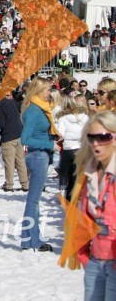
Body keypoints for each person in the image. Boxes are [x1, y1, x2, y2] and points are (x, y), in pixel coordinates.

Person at [59, 111, 116, 296]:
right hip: (94, 263)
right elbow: (84, 220)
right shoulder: (88, 174)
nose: (96, 143)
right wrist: (85, 257)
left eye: (103, 137)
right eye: (91, 138)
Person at [21, 76, 58, 252]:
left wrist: (52, 138)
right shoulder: (34, 111)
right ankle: (31, 241)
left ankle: (31, 240)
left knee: (34, 200)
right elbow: (25, 139)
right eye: (47, 90)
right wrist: (50, 144)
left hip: (40, 155)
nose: (49, 93)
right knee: (33, 200)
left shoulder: (39, 109)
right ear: (38, 91)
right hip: (37, 156)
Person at [0, 89, 29, 192]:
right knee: (20, 161)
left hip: (8, 136)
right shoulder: (13, 102)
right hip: (18, 134)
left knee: (9, 162)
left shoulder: (0, 106)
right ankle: (25, 184)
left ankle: (9, 184)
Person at [56, 95, 89, 201]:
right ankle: (76, 196)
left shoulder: (62, 118)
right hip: (81, 148)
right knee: (76, 174)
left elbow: (61, 134)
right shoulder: (84, 116)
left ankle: (65, 195)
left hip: (68, 148)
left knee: (65, 173)